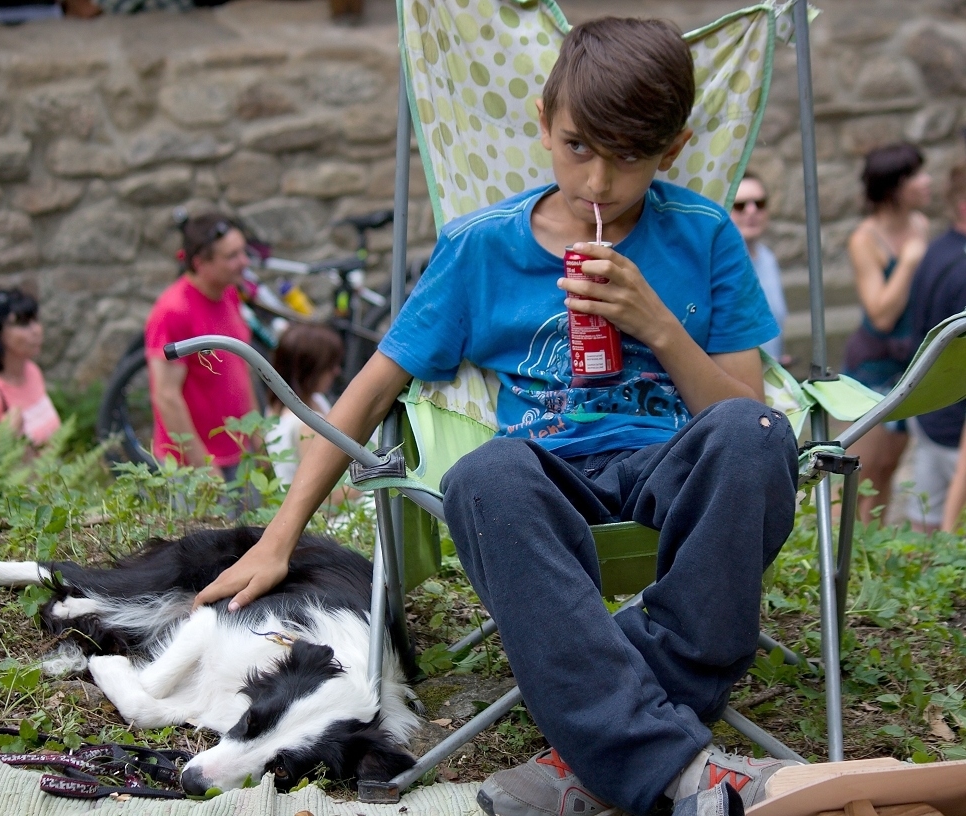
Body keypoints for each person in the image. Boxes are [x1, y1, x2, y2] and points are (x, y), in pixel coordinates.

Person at [194, 17, 799, 816]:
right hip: (549, 477)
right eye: (579, 146)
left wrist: (655, 322)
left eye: (630, 156)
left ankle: (597, 755)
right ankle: (670, 761)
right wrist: (280, 538)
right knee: (483, 476)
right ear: (544, 125)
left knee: (757, 436)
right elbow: (369, 390)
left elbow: (740, 410)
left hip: (671, 462)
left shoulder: (705, 233)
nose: (599, 180)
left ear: (674, 149)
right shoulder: (481, 249)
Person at [842, 143, 931, 524]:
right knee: (860, 471)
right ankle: (847, 551)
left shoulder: (921, 225)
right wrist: (909, 261)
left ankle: (872, 544)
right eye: (916, 175)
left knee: (890, 467)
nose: (927, 182)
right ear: (895, 186)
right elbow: (879, 313)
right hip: (873, 368)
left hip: (910, 362)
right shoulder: (865, 239)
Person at [145, 211, 261, 481]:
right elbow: (166, 396)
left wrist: (257, 440)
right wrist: (203, 467)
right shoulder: (173, 311)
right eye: (231, 256)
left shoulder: (228, 292)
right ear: (199, 263)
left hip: (240, 457)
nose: (244, 262)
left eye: (243, 252)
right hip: (197, 468)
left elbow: (239, 371)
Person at [906, 163, 966, 532]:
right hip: (955, 431)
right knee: (946, 533)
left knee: (921, 530)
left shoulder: (937, 251)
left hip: (927, 413)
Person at [264, 323, 356, 508]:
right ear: (308, 370)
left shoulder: (281, 405)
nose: (336, 371)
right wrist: (371, 483)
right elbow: (325, 497)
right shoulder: (304, 426)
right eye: (329, 366)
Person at [0, 288, 61, 446]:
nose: (36, 330)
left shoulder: (31, 370)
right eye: (23, 323)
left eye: (35, 320)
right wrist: (5, 437)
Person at [731, 172, 788, 362]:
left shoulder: (768, 258)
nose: (751, 211)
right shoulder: (719, 265)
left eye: (759, 203)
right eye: (740, 206)